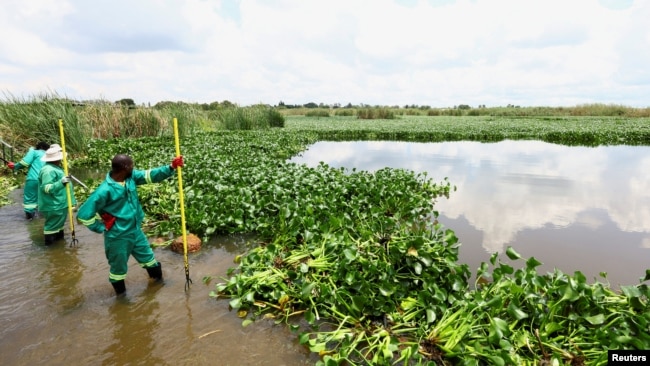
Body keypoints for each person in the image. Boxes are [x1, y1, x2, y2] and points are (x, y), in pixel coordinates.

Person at [76, 154, 184, 296]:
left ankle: (158, 287)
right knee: (118, 271)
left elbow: (150, 175)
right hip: (118, 236)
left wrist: (171, 167)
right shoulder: (104, 191)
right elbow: (83, 215)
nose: (134, 167)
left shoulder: (130, 178)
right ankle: (121, 302)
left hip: (135, 231)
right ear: (125, 168)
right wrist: (101, 226)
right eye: (132, 165)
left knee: (150, 260)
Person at [6, 141, 50, 219]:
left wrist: (15, 166)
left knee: (30, 201)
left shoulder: (34, 152)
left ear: (38, 147)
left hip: (33, 179)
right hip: (47, 180)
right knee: (44, 199)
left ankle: (30, 220)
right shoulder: (50, 155)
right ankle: (43, 220)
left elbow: (24, 163)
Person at [38, 144, 70, 245]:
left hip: (59, 204)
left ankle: (59, 250)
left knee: (58, 227)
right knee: (51, 227)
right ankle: (50, 248)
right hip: (53, 205)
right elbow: (47, 188)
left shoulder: (55, 167)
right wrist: (62, 182)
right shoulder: (48, 170)